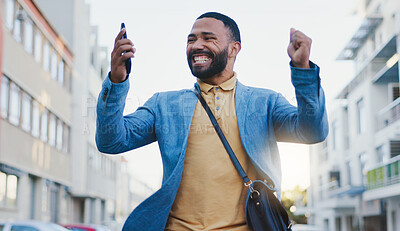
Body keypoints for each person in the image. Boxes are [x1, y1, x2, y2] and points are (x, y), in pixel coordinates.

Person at [96, 12, 328, 231]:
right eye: (191, 39)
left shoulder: (265, 102)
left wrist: (302, 70)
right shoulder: (164, 104)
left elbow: (312, 131)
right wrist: (117, 80)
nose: (197, 45)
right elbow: (111, 141)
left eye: (209, 38)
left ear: (234, 49)